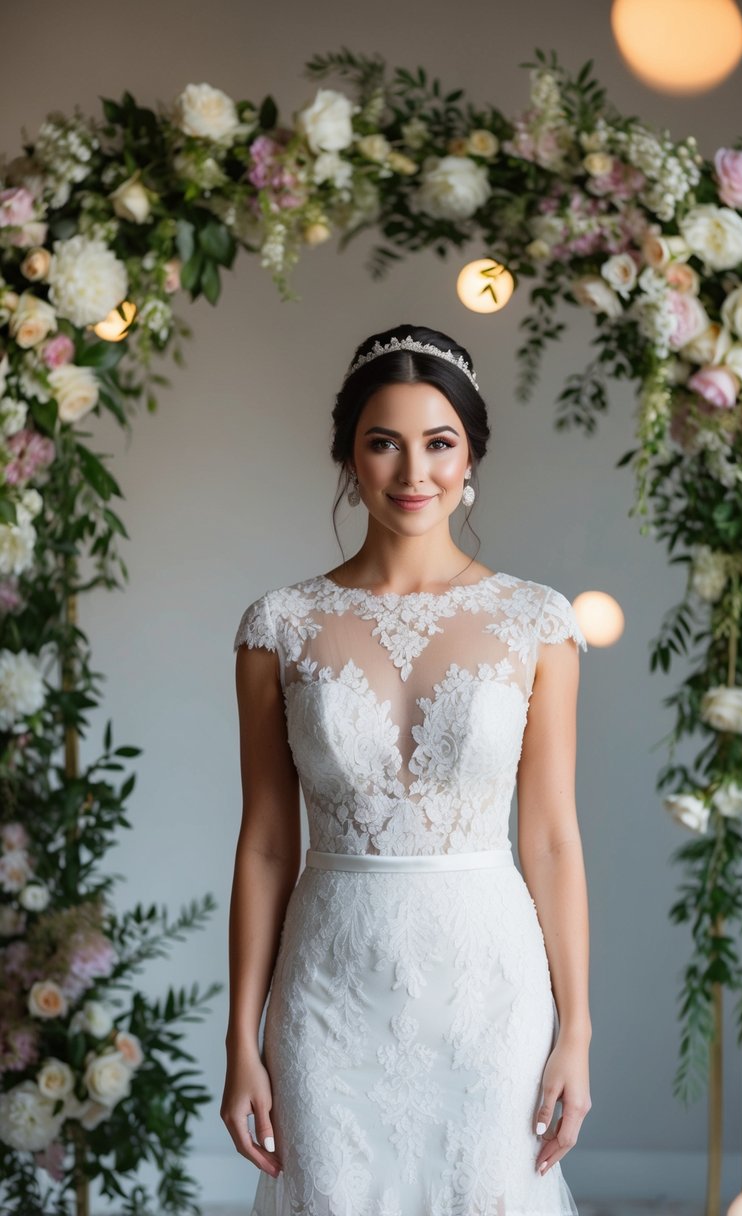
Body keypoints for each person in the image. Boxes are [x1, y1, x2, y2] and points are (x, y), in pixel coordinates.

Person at [222, 323, 592, 1215]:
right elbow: (267, 845)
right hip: (329, 994)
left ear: (472, 457)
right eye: (383, 442)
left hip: (488, 991)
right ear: (349, 457)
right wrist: (241, 1038)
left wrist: (574, 1029)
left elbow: (548, 839)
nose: (412, 472)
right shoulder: (278, 626)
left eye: (439, 443)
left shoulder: (536, 623)